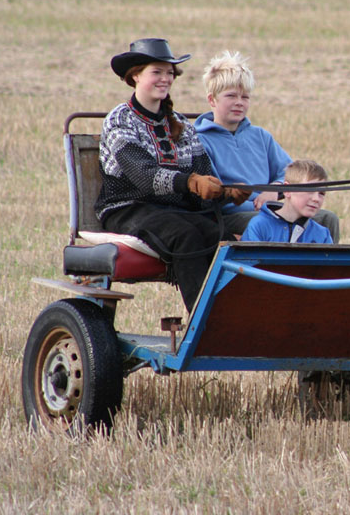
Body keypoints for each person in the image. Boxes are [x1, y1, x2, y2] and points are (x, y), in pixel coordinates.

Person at [95, 38, 248, 313]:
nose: (165, 79)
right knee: (184, 235)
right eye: (157, 72)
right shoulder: (120, 120)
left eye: (169, 73)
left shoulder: (180, 124)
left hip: (171, 212)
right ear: (136, 75)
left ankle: (235, 314)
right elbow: (143, 175)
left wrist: (226, 192)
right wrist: (189, 182)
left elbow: (203, 174)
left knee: (219, 236)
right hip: (128, 209)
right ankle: (204, 323)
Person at [194, 51, 340, 240]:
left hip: (274, 207)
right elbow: (214, 194)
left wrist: (274, 190)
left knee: (327, 218)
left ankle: (326, 268)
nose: (239, 102)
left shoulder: (261, 136)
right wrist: (258, 203)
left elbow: (290, 173)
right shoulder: (200, 141)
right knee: (269, 222)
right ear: (212, 99)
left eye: (245, 97)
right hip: (231, 216)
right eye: (231, 96)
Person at [241, 160, 333, 243]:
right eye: (310, 190)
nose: (316, 199)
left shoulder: (322, 235)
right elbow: (248, 260)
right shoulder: (259, 226)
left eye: (322, 193)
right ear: (287, 190)